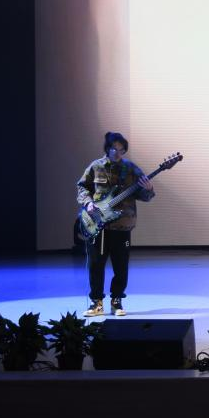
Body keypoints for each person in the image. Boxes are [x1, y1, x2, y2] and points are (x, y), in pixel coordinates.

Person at [75, 131, 154, 317]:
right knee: (96, 265)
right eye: (114, 149)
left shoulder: (131, 169)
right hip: (98, 225)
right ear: (107, 149)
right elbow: (82, 187)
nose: (118, 153)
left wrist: (149, 189)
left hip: (122, 226)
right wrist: (88, 203)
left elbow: (144, 196)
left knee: (121, 266)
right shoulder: (96, 167)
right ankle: (96, 303)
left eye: (121, 150)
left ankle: (116, 301)